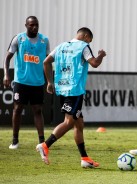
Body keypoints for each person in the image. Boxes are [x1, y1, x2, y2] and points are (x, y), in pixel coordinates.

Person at [36, 27, 106, 168]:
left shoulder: (61, 46)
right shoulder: (84, 47)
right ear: (86, 36)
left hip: (62, 88)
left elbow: (46, 62)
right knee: (69, 122)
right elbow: (94, 63)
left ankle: (85, 158)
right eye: (90, 40)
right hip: (74, 91)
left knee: (79, 123)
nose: (89, 43)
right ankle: (45, 145)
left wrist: (50, 82)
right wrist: (101, 55)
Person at [3, 16, 50, 149]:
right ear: (26, 25)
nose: (34, 27)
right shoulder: (19, 38)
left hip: (37, 82)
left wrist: (50, 81)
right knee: (17, 109)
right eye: (31, 25)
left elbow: (47, 63)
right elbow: (7, 58)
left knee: (37, 110)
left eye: (36, 25)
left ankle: (42, 142)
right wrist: (6, 74)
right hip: (21, 82)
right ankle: (15, 141)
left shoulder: (44, 40)